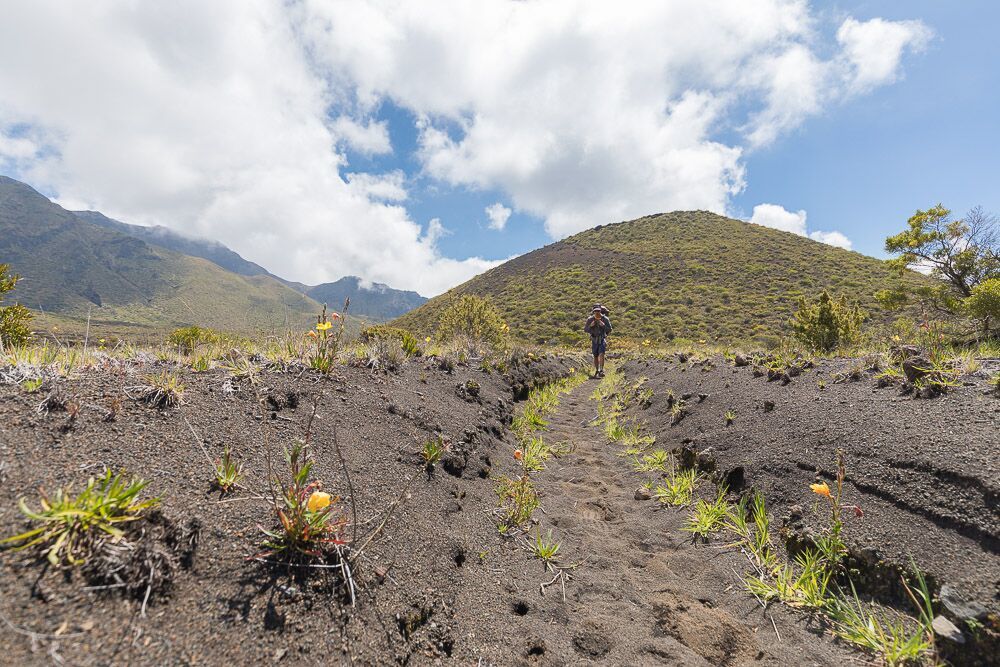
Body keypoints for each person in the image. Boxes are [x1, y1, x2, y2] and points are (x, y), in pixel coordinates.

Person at [584, 304, 612, 377]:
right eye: (595, 311)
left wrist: (603, 326)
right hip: (594, 339)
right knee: (595, 355)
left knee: (601, 353)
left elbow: (610, 329)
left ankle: (601, 370)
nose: (597, 312)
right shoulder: (590, 319)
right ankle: (597, 370)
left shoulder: (605, 319)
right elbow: (585, 329)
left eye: (598, 311)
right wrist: (591, 326)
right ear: (593, 311)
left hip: (602, 338)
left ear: (601, 310)